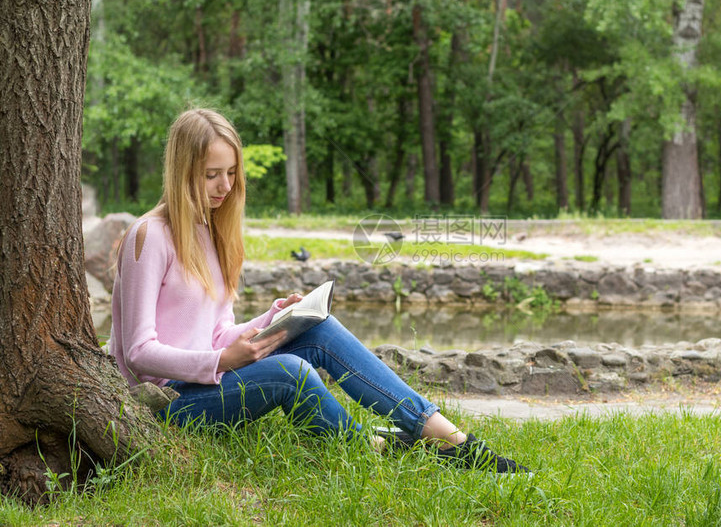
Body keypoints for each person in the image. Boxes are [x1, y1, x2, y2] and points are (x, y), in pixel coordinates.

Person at [108, 108, 529, 474]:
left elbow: (214, 332)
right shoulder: (149, 236)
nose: (225, 186)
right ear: (182, 171)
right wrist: (222, 360)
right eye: (211, 175)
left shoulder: (211, 231)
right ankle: (375, 446)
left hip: (205, 379)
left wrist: (271, 320)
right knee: (291, 372)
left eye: (232, 173)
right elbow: (138, 351)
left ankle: (449, 438)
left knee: (318, 329)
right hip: (165, 405)